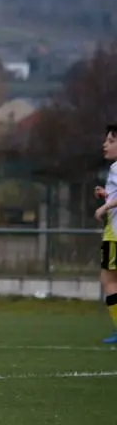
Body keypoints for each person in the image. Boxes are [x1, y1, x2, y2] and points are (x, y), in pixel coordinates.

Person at [94, 124, 117, 344]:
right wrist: (106, 195)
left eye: (111, 141)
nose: (105, 145)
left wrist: (104, 207)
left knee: (108, 280)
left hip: (115, 234)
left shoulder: (116, 167)